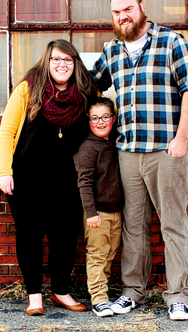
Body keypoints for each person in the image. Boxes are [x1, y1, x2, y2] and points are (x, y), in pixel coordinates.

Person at [92, 0, 188, 321]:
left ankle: (178, 296)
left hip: (166, 151)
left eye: (127, 9)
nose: (122, 16)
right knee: (133, 227)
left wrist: (181, 139)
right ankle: (132, 292)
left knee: (172, 224)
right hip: (127, 153)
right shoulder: (111, 51)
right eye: (116, 12)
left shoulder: (171, 42)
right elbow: (88, 86)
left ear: (141, 6)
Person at [0, 40, 94, 316]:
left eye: (68, 60)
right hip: (27, 179)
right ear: (47, 62)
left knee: (65, 237)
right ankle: (35, 296)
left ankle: (61, 291)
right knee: (30, 236)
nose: (62, 65)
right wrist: (5, 171)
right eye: (56, 59)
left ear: (75, 64)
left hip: (68, 180)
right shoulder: (29, 89)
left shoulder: (85, 93)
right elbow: (7, 132)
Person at [73, 97, 123, 317]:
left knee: (110, 254)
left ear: (113, 118)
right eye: (95, 118)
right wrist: (91, 213)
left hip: (116, 212)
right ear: (89, 120)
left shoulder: (115, 143)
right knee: (97, 255)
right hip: (98, 214)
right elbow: (83, 182)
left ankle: (102, 293)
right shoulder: (88, 147)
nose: (101, 122)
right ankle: (99, 299)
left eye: (105, 117)